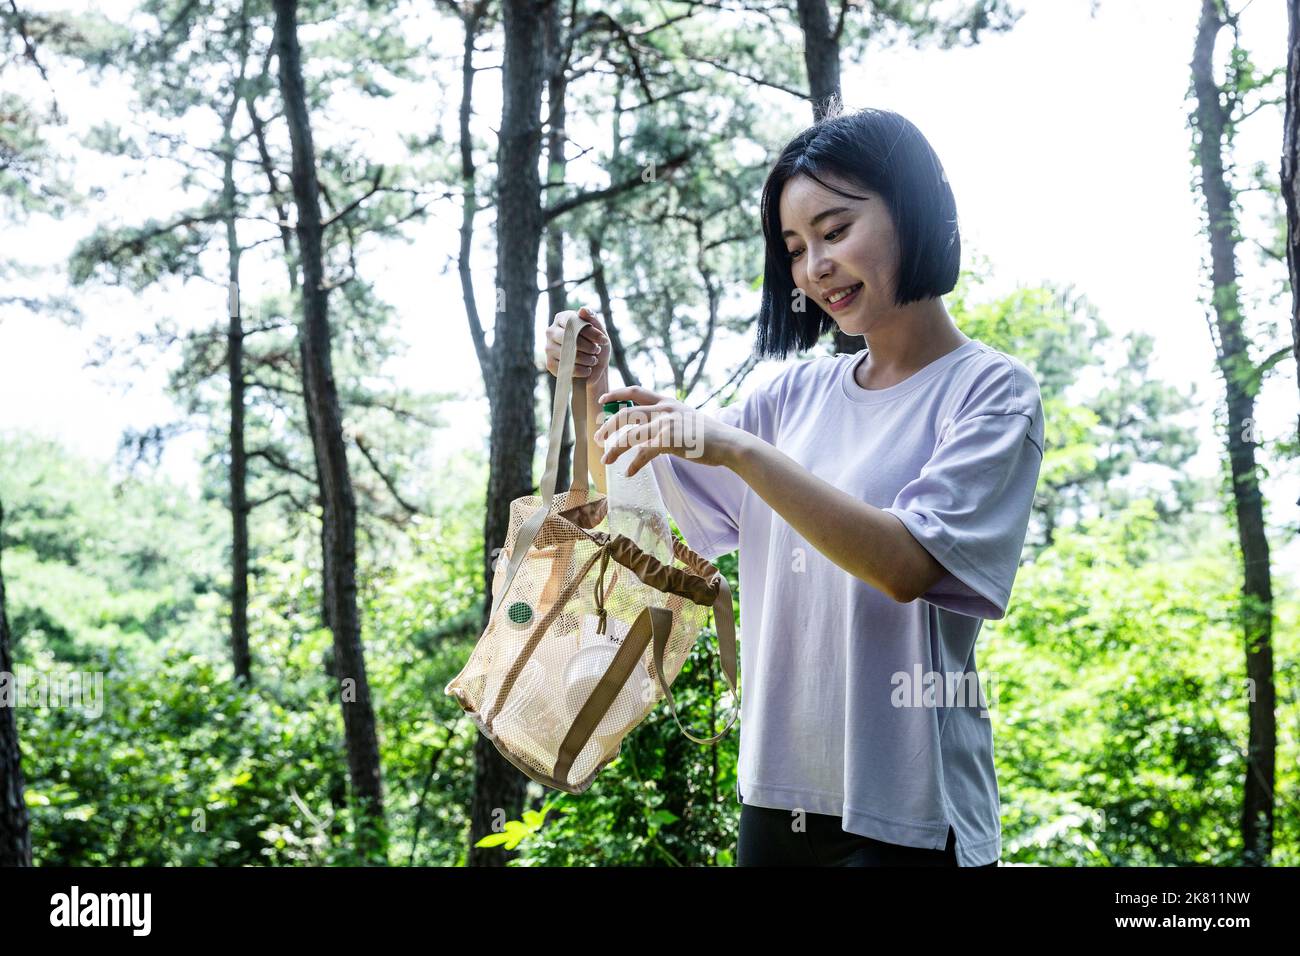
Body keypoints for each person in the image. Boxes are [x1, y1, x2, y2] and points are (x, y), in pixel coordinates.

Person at [543, 107, 1044, 867]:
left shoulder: (991, 392)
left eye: (835, 231)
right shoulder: (790, 397)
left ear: (914, 210)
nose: (813, 268)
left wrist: (740, 449)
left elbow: (906, 566)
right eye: (795, 247)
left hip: (910, 812)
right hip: (777, 799)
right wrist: (592, 386)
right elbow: (647, 512)